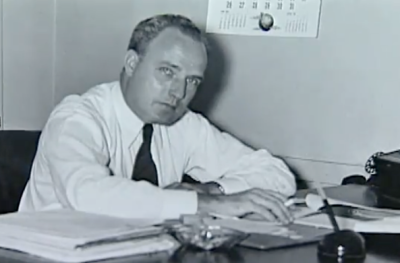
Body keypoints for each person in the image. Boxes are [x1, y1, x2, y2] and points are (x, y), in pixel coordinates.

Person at [18, 14, 297, 223]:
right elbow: (88, 194)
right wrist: (202, 204)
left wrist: (214, 190)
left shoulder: (182, 124)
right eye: (167, 71)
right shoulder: (77, 118)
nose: (179, 91)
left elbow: (278, 175)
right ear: (131, 63)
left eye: (192, 81)